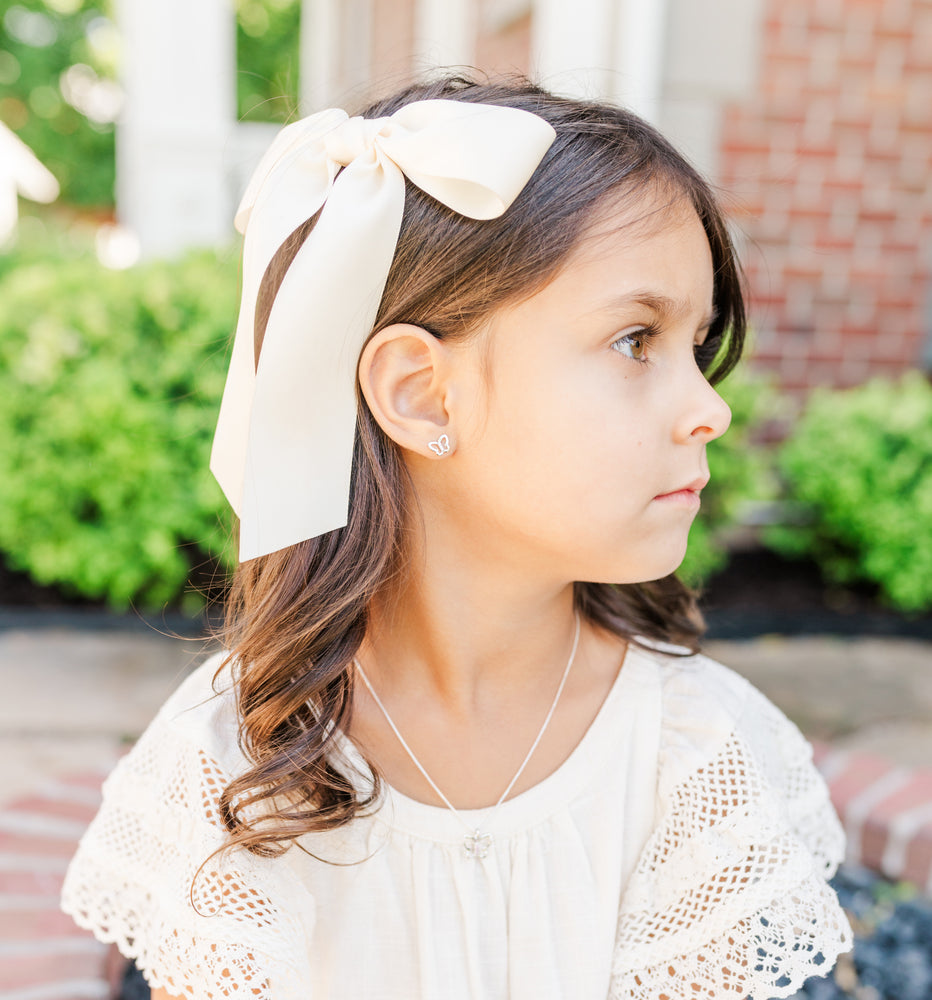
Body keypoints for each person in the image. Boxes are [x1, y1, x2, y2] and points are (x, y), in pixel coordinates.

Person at [61, 73, 852, 1000]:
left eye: (698, 345)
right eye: (637, 340)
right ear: (421, 393)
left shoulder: (694, 755)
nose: (710, 407)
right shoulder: (236, 764)